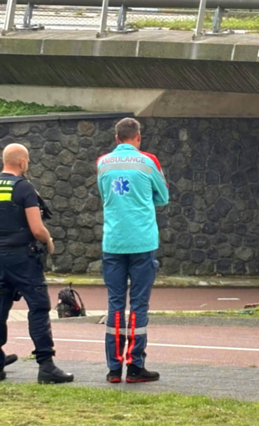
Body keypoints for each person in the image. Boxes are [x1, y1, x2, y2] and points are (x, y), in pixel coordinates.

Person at [97, 118, 169, 384]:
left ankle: (114, 369)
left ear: (117, 139)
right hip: (142, 242)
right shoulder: (149, 162)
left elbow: (104, 195)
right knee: (139, 305)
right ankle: (135, 367)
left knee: (115, 304)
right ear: (138, 137)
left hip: (113, 241)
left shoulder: (102, 163)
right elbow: (163, 197)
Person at [0, 144, 74, 384]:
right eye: (28, 161)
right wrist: (48, 241)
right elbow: (36, 227)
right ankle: (46, 366)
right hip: (23, 258)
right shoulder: (24, 188)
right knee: (39, 308)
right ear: (21, 162)